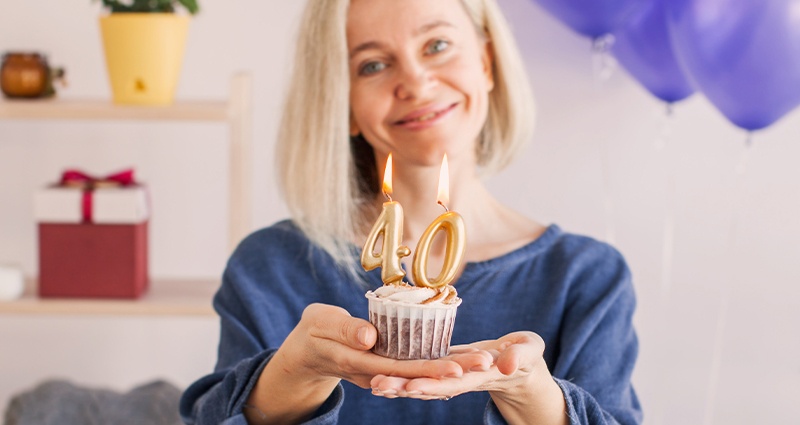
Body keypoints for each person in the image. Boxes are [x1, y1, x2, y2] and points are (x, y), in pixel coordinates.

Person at [179, 0, 642, 423]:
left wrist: (530, 394)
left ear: (485, 63)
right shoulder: (271, 266)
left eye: (437, 45)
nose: (416, 82)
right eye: (373, 64)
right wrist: (294, 374)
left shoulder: (586, 277)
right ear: (345, 105)